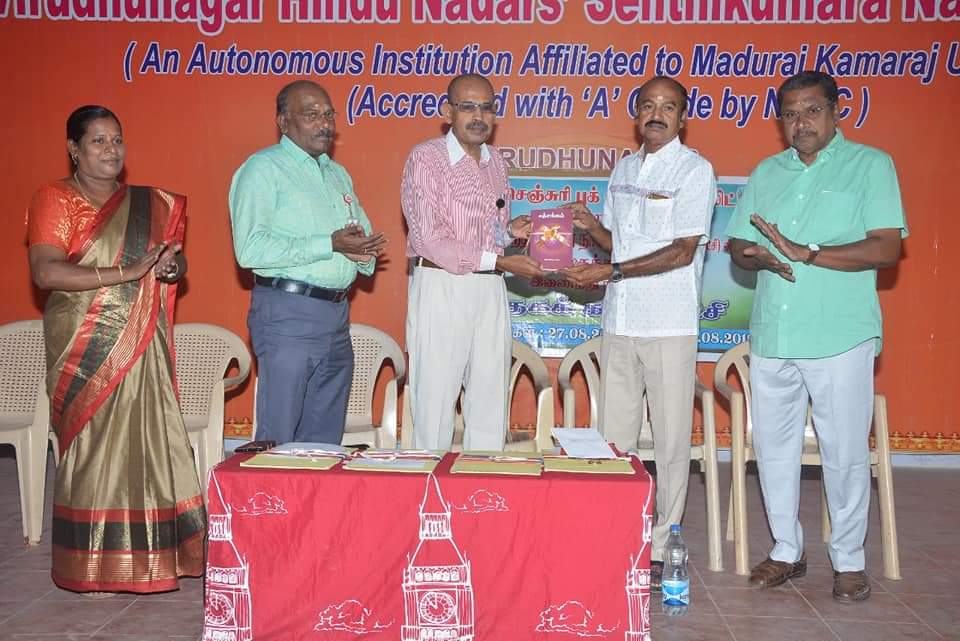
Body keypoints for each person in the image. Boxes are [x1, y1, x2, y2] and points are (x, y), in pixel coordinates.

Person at [726, 71, 907, 602]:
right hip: (774, 333)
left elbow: (886, 248)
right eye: (790, 114)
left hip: (839, 334)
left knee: (844, 452)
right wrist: (754, 255)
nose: (800, 122)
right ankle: (787, 549)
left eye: (811, 111)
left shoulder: (871, 165)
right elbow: (737, 246)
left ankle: (848, 560)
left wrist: (809, 253)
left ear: (835, 111)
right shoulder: (767, 172)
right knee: (773, 450)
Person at [27, 105, 205, 594]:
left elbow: (173, 261)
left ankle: (154, 558)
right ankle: (91, 566)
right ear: (74, 149)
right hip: (84, 343)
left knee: (148, 441)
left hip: (140, 339)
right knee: (93, 448)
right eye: (98, 141)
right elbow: (46, 271)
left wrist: (170, 267)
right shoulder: (55, 198)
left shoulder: (150, 203)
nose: (111, 149)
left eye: (117, 140)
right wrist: (127, 272)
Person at [563, 76, 716, 591]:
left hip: (668, 323)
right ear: (636, 116)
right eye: (648, 105)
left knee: (670, 441)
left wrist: (614, 271)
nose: (657, 114)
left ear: (682, 118)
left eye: (668, 107)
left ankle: (665, 540)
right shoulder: (624, 169)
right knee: (615, 438)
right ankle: (615, 533)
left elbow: (682, 251)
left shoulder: (694, 170)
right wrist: (591, 228)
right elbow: (618, 243)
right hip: (619, 321)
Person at [230, 80, 387, 445]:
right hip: (288, 314)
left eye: (329, 115)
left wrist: (363, 252)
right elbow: (250, 249)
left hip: (337, 317)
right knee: (280, 438)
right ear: (284, 122)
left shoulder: (337, 174)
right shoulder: (262, 169)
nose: (325, 124)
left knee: (324, 441)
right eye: (312, 114)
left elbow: (356, 234)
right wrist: (328, 244)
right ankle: (270, 486)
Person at [401, 73, 541, 450]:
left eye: (487, 107)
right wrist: (501, 261)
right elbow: (430, 239)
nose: (478, 116)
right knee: (434, 403)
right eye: (468, 107)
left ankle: (483, 483)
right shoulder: (426, 158)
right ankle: (428, 484)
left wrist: (510, 233)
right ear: (448, 112)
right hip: (442, 284)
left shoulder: (497, 163)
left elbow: (487, 235)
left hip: (490, 286)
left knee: (490, 397)